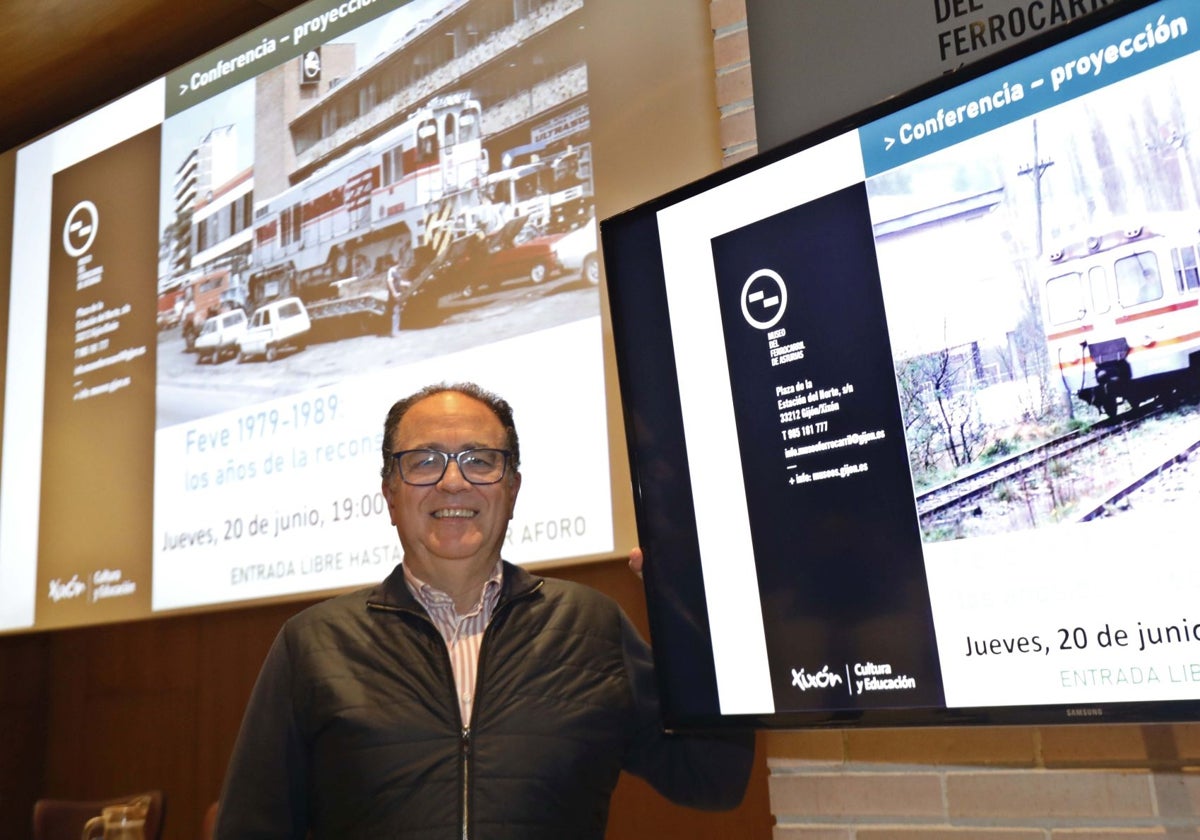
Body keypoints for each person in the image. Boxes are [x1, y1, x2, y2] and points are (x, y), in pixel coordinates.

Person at [214, 382, 754, 839]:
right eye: (424, 461)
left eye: (480, 460)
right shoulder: (312, 644)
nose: (453, 481)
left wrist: (705, 614)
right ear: (390, 493)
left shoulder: (591, 626)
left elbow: (712, 777)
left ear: (512, 488)